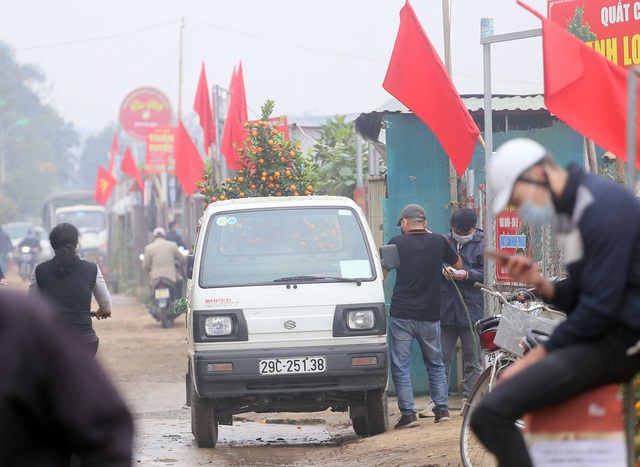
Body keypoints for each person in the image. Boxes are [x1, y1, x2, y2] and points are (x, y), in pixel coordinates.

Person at [470, 138, 640, 466]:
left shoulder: (599, 206)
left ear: (536, 172)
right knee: (493, 413)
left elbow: (599, 310)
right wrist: (540, 284)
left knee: (490, 415)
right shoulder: (571, 211)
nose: (522, 211)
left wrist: (537, 359)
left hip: (623, 342)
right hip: (605, 336)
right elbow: (582, 295)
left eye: (519, 200)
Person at [0, 289, 133, 465]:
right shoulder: (26, 318)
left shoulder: (24, 318)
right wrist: (104, 309)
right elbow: (107, 428)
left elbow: (105, 429)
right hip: (83, 337)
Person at [384, 204, 462, 428]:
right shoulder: (438, 241)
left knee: (400, 365)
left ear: (405, 223)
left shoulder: (396, 243)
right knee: (435, 364)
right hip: (430, 314)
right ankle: (442, 410)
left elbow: (382, 272)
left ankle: (408, 415)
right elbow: (458, 264)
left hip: (402, 315)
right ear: (425, 223)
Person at [421, 208, 483, 418]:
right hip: (445, 310)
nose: (462, 234)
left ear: (474, 228)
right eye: (458, 231)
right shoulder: (442, 242)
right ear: (452, 227)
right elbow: (430, 264)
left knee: (472, 358)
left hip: (472, 311)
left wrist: (466, 274)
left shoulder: (483, 244)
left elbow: (487, 273)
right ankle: (438, 402)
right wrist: (443, 270)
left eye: (467, 232)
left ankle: (470, 400)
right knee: (440, 358)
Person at [28, 223, 111, 356]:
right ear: (76, 243)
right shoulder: (92, 269)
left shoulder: (39, 271)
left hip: (51, 342)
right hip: (86, 342)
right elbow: (106, 304)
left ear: (52, 245)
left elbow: (31, 307)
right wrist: (103, 311)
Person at [142, 227, 186, 294]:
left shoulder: (148, 248)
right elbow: (182, 260)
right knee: (180, 282)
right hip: (171, 277)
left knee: (152, 290)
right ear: (164, 236)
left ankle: (153, 300)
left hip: (155, 277)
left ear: (154, 237)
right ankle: (178, 302)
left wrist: (151, 271)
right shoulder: (172, 245)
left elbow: (145, 265)